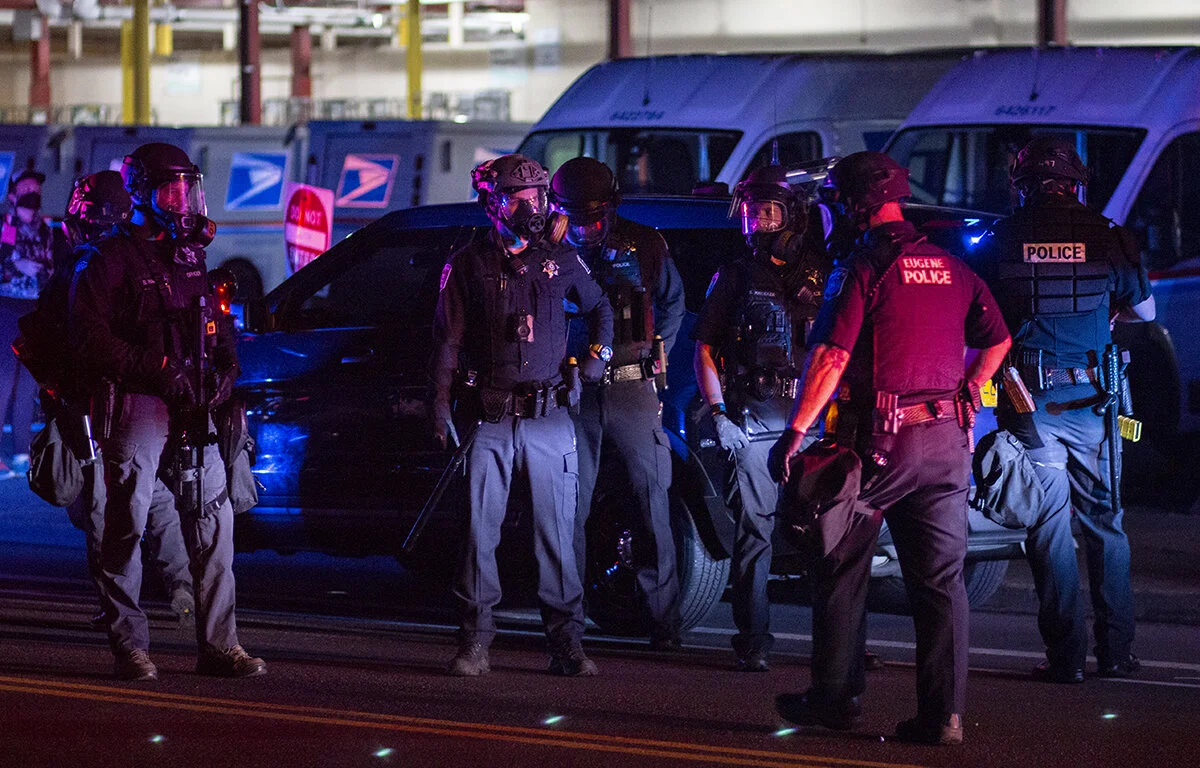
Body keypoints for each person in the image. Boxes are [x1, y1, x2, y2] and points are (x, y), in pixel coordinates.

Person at [770, 151, 1011, 745]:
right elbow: (999, 340)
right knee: (940, 583)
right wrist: (971, 392)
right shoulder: (953, 267)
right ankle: (944, 717)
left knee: (841, 566)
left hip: (878, 446)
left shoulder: (861, 267)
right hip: (946, 444)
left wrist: (796, 432)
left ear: (855, 204)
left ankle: (836, 698)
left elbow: (831, 357)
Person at [69, 143, 263, 681]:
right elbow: (88, 337)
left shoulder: (191, 257)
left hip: (196, 406)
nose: (182, 199)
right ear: (140, 191)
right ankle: (130, 646)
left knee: (215, 528)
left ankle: (219, 647)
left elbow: (218, 326)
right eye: (170, 187)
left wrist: (227, 367)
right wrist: (154, 368)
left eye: (186, 187)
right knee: (126, 526)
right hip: (140, 404)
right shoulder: (107, 260)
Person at [970, 136, 1155, 683]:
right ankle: (1116, 653)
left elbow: (980, 323)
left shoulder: (999, 240)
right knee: (1105, 526)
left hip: (1029, 409)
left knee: (1048, 529)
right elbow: (1145, 310)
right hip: (1095, 407)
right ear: (1076, 183)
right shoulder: (1110, 236)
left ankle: (1065, 658)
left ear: (1022, 186)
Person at [432, 154, 614, 677]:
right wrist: (440, 403)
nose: (531, 207)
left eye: (537, 196)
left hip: (551, 414)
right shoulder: (467, 264)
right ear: (492, 201)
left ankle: (567, 645)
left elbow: (600, 307)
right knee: (477, 533)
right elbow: (448, 340)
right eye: (519, 196)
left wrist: (596, 361)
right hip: (489, 417)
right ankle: (475, 642)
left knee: (557, 533)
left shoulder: (558, 257)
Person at [691, 164, 834, 671]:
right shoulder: (734, 275)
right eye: (753, 211)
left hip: (814, 423)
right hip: (754, 421)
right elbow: (704, 348)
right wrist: (720, 414)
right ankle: (754, 640)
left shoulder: (824, 268)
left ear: (793, 212)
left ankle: (838, 647)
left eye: (770, 209)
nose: (760, 220)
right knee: (756, 533)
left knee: (828, 535)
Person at [42, 171, 195, 629]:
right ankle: (183, 585)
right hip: (144, 403)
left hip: (97, 407)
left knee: (101, 507)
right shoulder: (141, 260)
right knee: (154, 498)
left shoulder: (91, 265)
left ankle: (118, 607)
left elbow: (66, 338)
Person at [550, 157, 686, 651]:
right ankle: (568, 623)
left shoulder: (646, 245)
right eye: (576, 217)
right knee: (570, 508)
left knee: (653, 504)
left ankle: (663, 622)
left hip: (631, 388)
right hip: (573, 393)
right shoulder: (549, 248)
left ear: (612, 208)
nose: (585, 228)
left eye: (594, 217)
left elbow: (672, 302)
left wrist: (655, 357)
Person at [0, 169, 53, 476]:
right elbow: (3, 261)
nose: (33, 192)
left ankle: (22, 449)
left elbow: (51, 266)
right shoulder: (7, 227)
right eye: (27, 188)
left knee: (28, 384)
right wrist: (16, 263)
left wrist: (40, 271)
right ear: (13, 194)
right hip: (7, 309)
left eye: (36, 187)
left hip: (34, 310)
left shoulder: (45, 229)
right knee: (4, 381)